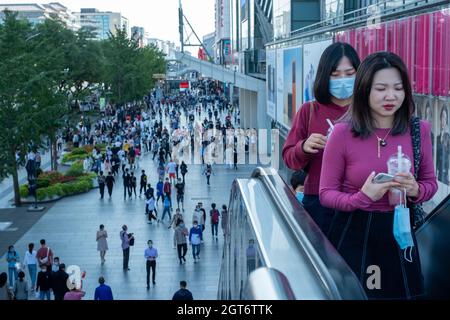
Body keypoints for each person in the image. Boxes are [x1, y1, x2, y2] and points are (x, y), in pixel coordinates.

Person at [319, 52, 438, 299]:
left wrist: (415, 189)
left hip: (400, 229)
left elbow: (430, 184)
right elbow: (326, 193)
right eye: (381, 88)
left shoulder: (419, 130)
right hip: (353, 229)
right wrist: (361, 197)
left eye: (398, 88)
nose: (391, 96)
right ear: (364, 90)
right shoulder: (342, 133)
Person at [282, 42, 361, 236]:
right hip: (318, 200)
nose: (343, 79)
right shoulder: (309, 111)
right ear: (324, 76)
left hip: (360, 199)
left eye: (349, 73)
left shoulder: (367, 111)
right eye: (335, 75)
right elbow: (289, 157)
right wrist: (304, 147)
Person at [436, 105, 449, 184]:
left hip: (446, 172)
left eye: (445, 118)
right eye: (442, 117)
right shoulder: (437, 137)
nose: (443, 120)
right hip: (438, 172)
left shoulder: (448, 137)